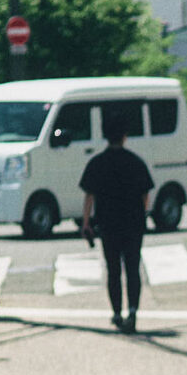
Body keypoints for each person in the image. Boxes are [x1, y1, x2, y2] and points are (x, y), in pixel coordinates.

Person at [79, 110, 155, 332]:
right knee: (133, 268)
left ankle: (116, 313)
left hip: (108, 223)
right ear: (124, 136)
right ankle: (133, 311)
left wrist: (86, 223)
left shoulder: (97, 163)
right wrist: (142, 215)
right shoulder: (135, 162)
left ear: (106, 136)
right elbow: (145, 195)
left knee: (113, 270)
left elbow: (89, 196)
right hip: (133, 223)